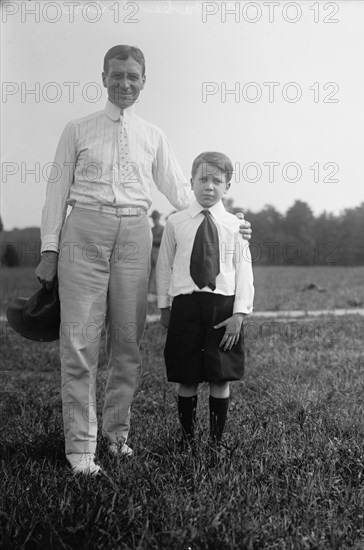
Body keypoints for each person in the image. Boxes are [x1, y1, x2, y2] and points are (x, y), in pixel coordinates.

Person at [34, 45, 252, 475]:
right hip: (85, 233)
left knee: (128, 341)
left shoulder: (153, 135)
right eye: (117, 75)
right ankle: (81, 449)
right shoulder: (77, 130)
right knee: (80, 340)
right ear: (103, 77)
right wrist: (49, 249)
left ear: (144, 81)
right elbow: (56, 194)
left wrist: (231, 222)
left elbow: (183, 194)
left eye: (133, 76)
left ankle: (116, 437)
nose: (125, 83)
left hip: (135, 233)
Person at [156, 152, 254, 450]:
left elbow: (244, 270)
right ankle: (186, 439)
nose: (209, 187)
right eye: (203, 179)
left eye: (217, 181)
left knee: (218, 375)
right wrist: (164, 306)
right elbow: (164, 265)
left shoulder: (235, 225)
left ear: (227, 186)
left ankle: (215, 441)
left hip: (222, 308)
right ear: (191, 182)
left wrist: (239, 314)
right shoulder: (176, 222)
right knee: (186, 376)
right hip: (185, 306)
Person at [148, 210, 164, 298]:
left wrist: (153, 240)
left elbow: (162, 240)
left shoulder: (163, 229)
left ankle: (158, 290)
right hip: (152, 250)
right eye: (154, 218)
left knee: (159, 271)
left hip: (159, 250)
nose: (155, 220)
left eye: (156, 218)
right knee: (151, 271)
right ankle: (150, 290)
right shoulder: (152, 229)